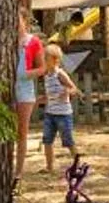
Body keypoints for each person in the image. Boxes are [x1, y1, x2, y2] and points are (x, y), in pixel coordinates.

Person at [37, 41, 81, 172]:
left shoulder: (60, 74)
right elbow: (50, 95)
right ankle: (49, 166)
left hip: (63, 114)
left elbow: (74, 88)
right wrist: (42, 99)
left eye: (46, 58)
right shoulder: (46, 76)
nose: (44, 60)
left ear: (55, 60)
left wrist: (68, 91)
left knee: (68, 140)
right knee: (47, 140)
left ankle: (77, 164)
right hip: (50, 113)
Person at [12, 11, 48, 153]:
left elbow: (43, 67)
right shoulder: (4, 39)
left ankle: (18, 170)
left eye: (17, 20)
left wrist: (27, 74)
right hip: (6, 87)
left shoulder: (33, 41)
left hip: (24, 89)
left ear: (25, 21)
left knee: (22, 131)